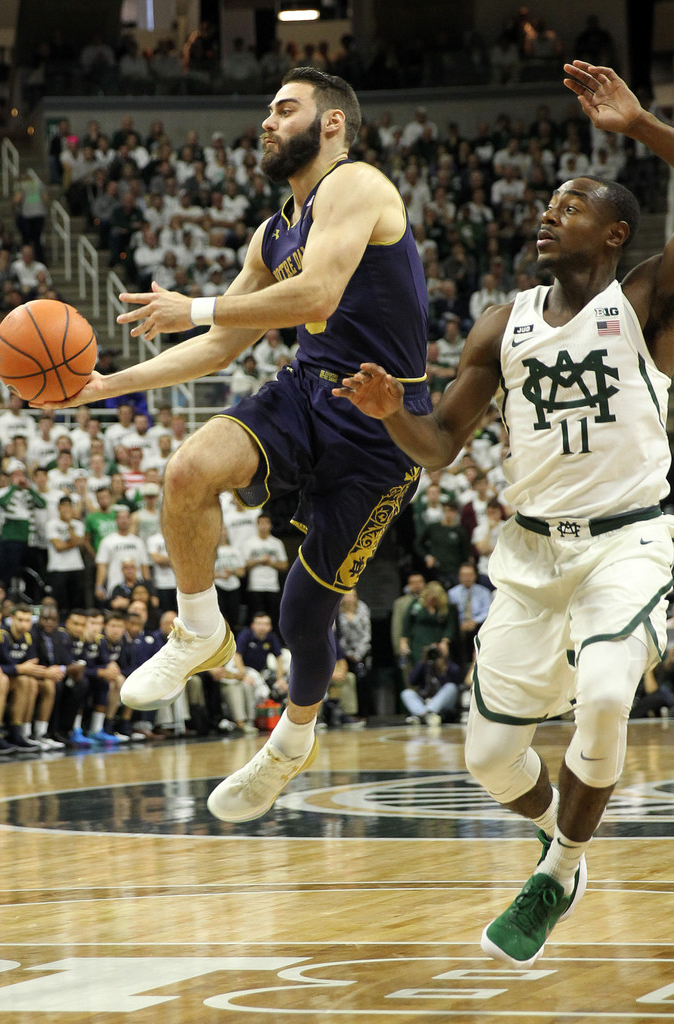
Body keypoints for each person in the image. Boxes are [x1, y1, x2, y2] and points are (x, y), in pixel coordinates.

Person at [335, 60, 674, 968]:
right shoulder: (501, 321)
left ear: (614, 233)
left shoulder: (643, 303)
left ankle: (560, 866)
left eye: (570, 205)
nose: (547, 212)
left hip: (629, 541)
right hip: (527, 556)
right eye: (547, 203)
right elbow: (441, 444)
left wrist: (640, 127)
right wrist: (389, 417)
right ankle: (554, 840)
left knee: (605, 697)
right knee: (487, 758)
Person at [35, 66, 431, 824]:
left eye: (285, 110)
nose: (268, 124)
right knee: (188, 470)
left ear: (334, 124)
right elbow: (222, 344)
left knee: (301, 618)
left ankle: (289, 742)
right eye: (266, 115)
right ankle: (199, 628)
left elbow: (315, 294)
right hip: (310, 389)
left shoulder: (356, 186)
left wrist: (194, 304)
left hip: (383, 424)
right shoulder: (272, 229)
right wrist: (103, 385)